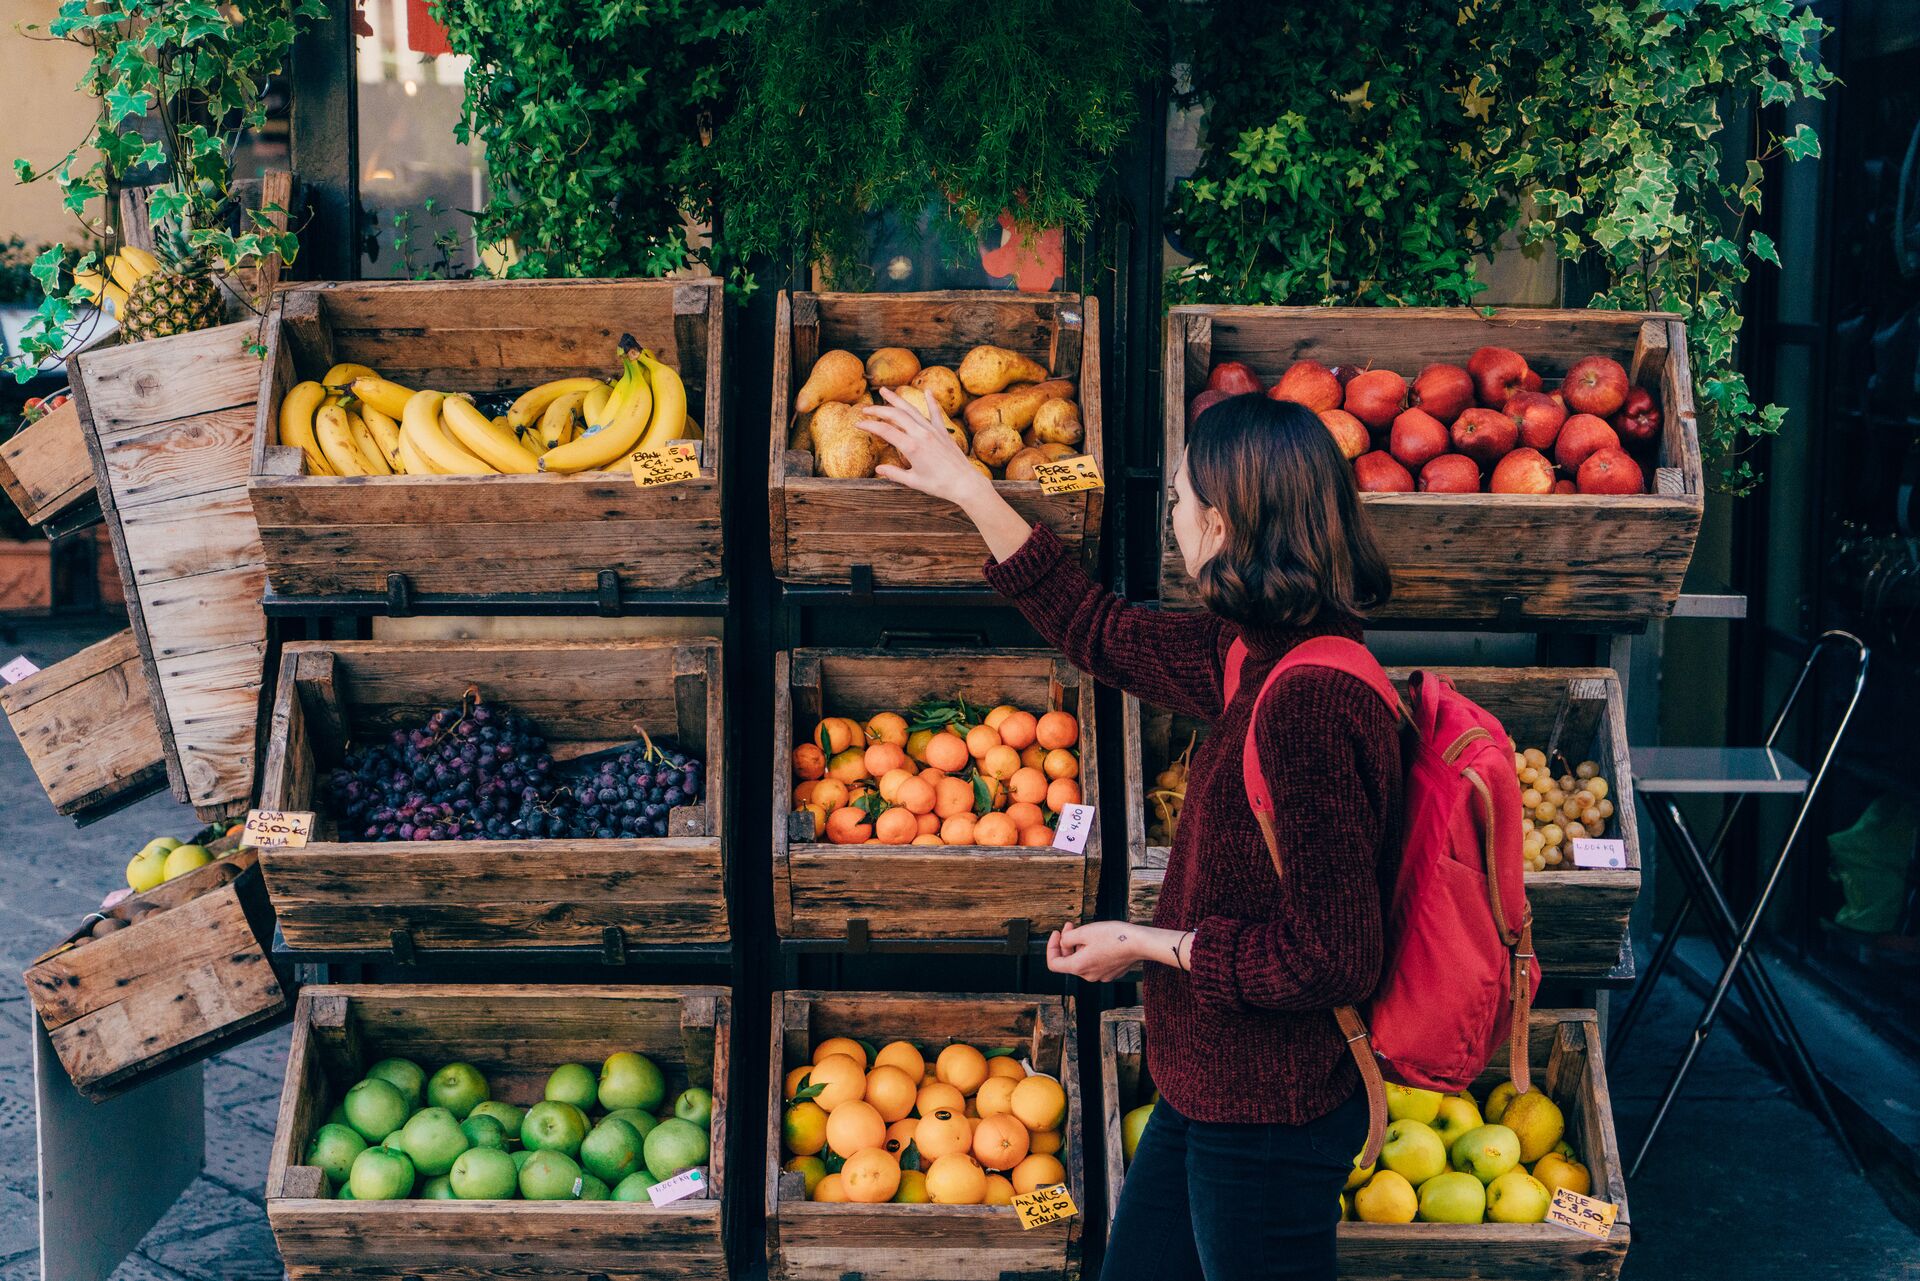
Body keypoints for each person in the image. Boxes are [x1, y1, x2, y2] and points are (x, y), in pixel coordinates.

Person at [859, 389, 1404, 1281]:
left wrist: (1148, 944)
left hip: (1271, 1113)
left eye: (1181, 503)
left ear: (1222, 524)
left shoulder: (1309, 700)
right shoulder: (1251, 652)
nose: (1175, 521)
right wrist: (967, 487)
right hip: (1210, 1086)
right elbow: (1096, 630)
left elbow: (1334, 956)